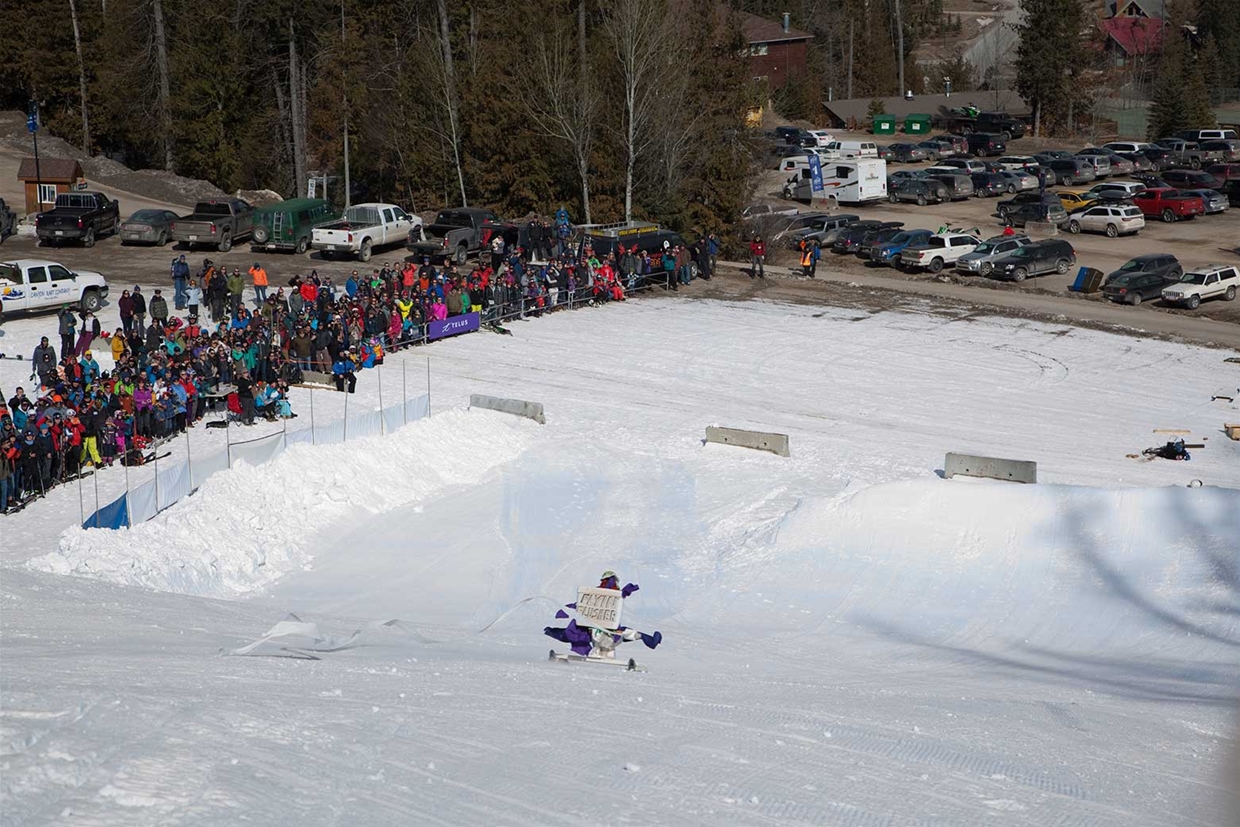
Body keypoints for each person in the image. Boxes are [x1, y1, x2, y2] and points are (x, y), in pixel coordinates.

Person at [544, 570, 662, 658]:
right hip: (606, 632)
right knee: (623, 634)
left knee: (618, 634)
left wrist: (564, 611)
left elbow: (578, 605)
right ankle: (649, 640)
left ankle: (649, 640)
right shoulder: (611, 594)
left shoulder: (594, 595)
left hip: (601, 632)